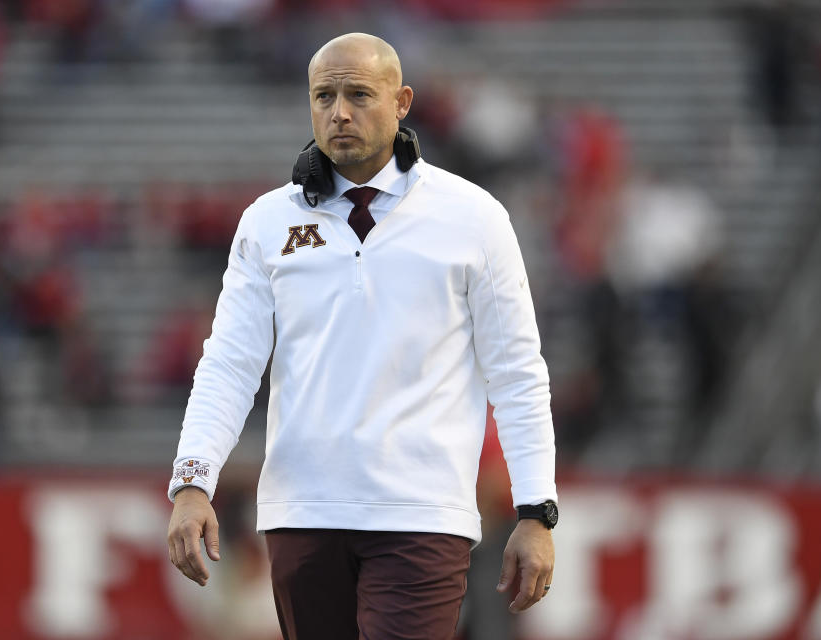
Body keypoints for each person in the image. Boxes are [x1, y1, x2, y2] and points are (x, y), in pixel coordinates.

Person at [166, 33, 558, 640]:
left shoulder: (473, 218)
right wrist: (193, 481)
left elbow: (517, 372)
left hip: (422, 511)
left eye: (358, 94)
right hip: (302, 510)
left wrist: (536, 509)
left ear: (402, 102)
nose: (339, 111)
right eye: (324, 95)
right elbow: (229, 363)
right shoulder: (269, 222)